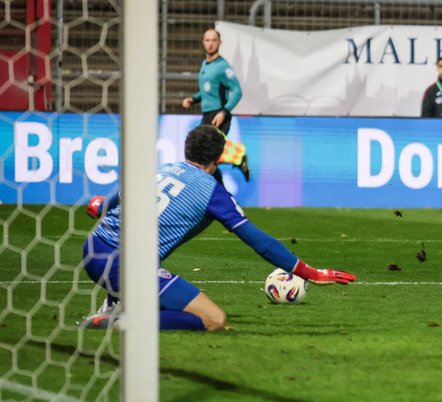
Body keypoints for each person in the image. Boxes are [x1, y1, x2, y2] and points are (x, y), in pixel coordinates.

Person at [80, 125, 356, 331]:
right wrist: (312, 273)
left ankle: (116, 301)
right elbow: (259, 241)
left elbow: (122, 194)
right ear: (218, 158)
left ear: (186, 149)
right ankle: (118, 321)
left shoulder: (163, 169)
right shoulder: (214, 194)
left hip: (93, 248)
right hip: (127, 267)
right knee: (213, 319)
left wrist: (100, 205)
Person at [182, 28, 250, 182]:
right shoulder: (205, 64)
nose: (210, 44)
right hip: (207, 115)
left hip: (218, 115)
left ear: (220, 43)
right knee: (206, 157)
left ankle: (238, 156)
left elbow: (237, 91)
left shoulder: (223, 66)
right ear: (203, 42)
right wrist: (193, 99)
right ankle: (222, 184)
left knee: (206, 153)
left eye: (214, 40)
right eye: (207, 40)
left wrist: (224, 112)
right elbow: (207, 90)